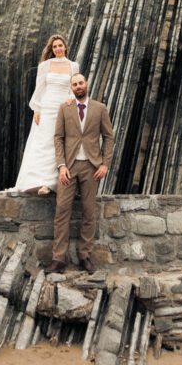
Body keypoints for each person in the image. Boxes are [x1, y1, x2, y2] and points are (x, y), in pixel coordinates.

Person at [47, 72, 114, 274]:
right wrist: (61, 166)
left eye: (81, 83)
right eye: (74, 84)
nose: (78, 86)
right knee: (61, 211)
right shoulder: (64, 108)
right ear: (71, 87)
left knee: (88, 212)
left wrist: (104, 164)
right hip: (69, 166)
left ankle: (85, 256)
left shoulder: (100, 108)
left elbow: (109, 137)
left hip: (92, 168)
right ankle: (59, 258)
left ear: (87, 84)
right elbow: (58, 138)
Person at [13, 34, 79, 194]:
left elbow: (73, 89)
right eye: (55, 46)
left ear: (65, 47)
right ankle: (38, 181)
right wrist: (37, 109)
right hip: (48, 106)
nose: (58, 49)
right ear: (52, 49)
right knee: (43, 142)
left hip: (62, 107)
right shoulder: (45, 65)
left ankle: (52, 183)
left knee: (58, 142)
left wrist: (71, 104)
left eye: (60, 45)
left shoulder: (73, 66)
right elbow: (40, 89)